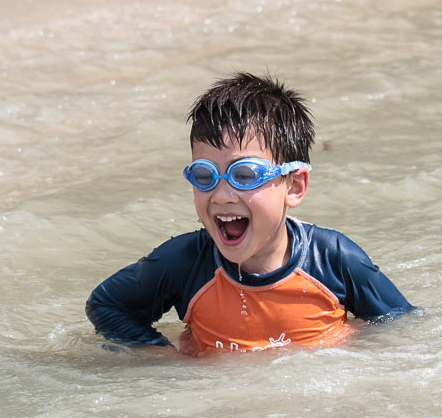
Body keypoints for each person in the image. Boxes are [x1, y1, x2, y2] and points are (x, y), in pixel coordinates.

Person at [86, 72, 414, 354]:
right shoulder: (184, 263)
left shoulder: (334, 260)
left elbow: (402, 326)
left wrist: (358, 352)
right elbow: (107, 305)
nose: (221, 195)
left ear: (294, 186)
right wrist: (160, 357)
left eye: (244, 175)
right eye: (204, 175)